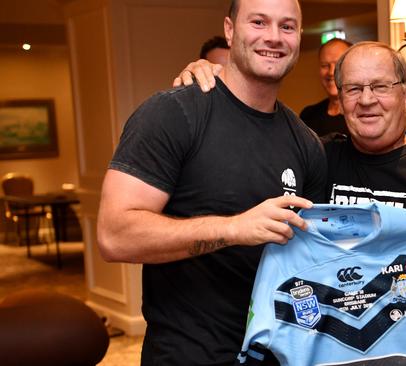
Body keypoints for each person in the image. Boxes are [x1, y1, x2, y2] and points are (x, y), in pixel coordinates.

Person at [176, 42, 406, 366]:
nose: (367, 99)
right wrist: (216, 90)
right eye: (353, 88)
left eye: (380, 86)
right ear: (340, 97)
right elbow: (252, 135)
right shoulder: (317, 159)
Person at [96, 0, 326, 365]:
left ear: (299, 37)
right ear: (231, 30)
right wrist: (235, 228)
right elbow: (114, 235)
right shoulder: (173, 114)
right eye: (259, 22)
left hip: (275, 355)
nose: (273, 37)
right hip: (187, 355)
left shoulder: (306, 143)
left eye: (287, 27)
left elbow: (308, 259)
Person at [299, 38, 351, 136]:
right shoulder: (308, 115)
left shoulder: (364, 114)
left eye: (338, 65)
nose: (331, 72)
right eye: (325, 65)